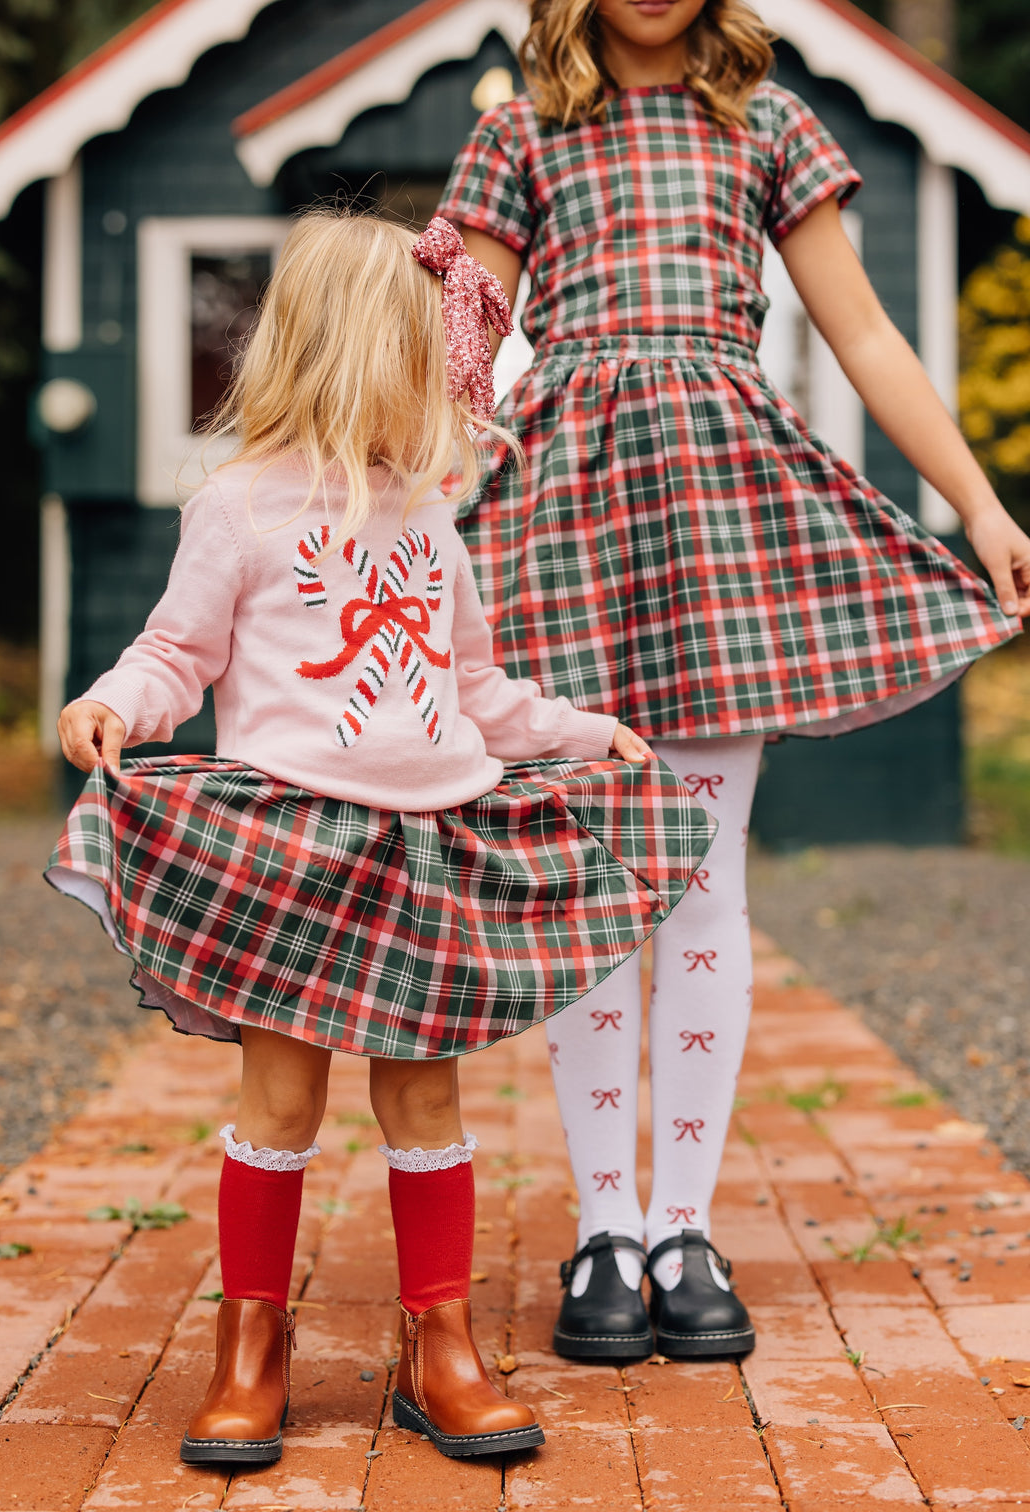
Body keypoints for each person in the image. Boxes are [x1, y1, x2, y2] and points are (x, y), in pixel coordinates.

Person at [45, 209, 716, 1466]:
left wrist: (579, 732)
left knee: (423, 1091)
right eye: (428, 359)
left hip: (431, 843)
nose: (451, 384)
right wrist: (111, 703)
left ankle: (437, 1342)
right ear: (356, 354)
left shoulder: (427, 516)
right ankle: (252, 1346)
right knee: (282, 1095)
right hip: (295, 850)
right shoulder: (239, 510)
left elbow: (477, 691)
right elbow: (176, 654)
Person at [437, 0, 1030, 1363]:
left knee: (705, 882)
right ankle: (605, 1228)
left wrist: (979, 504)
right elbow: (458, 357)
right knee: (593, 885)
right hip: (560, 522)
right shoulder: (518, 134)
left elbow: (868, 335)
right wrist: (410, 519)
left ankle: (683, 1228)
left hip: (721, 519)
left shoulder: (765, 124)